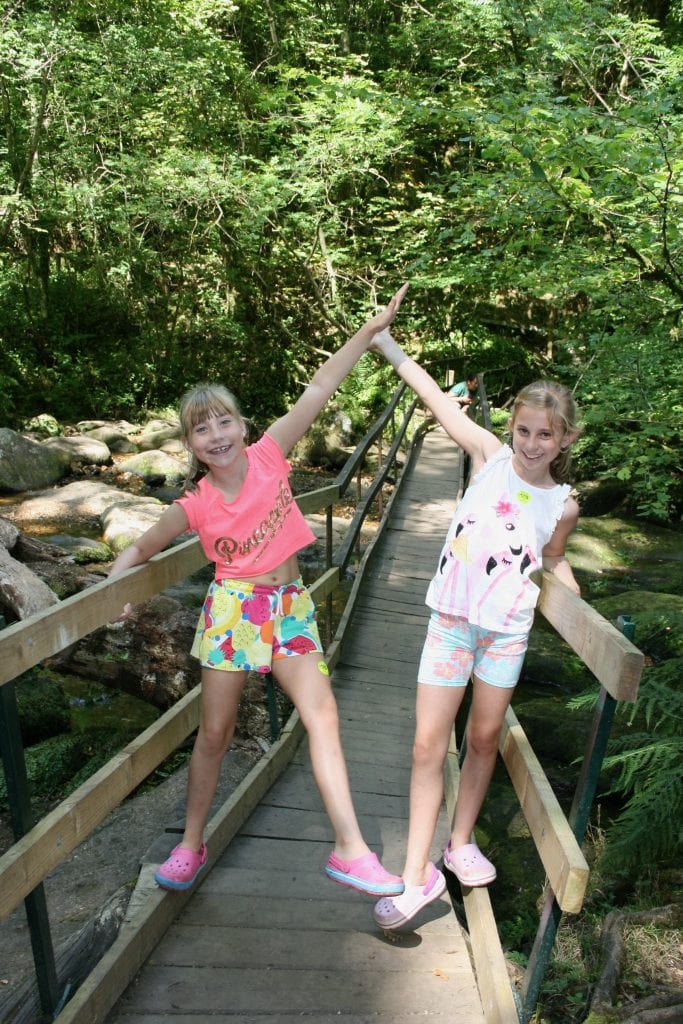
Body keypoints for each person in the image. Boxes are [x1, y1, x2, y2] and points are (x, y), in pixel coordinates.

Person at [108, 284, 409, 896]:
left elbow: (320, 387)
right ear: (190, 445)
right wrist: (116, 590)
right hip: (234, 611)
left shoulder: (272, 455)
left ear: (242, 426)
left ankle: (350, 850)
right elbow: (141, 547)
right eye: (201, 430)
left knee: (323, 717)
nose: (216, 434)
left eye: (223, 421)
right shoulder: (193, 503)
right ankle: (190, 845)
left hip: (290, 606)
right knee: (214, 733)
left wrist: (370, 330)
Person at [369, 328, 581, 930]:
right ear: (510, 428)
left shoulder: (562, 503)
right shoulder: (488, 459)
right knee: (426, 746)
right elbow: (437, 399)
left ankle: (458, 842)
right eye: (524, 430)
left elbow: (556, 557)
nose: (532, 443)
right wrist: (385, 345)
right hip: (452, 624)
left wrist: (578, 612)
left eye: (546, 434)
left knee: (485, 740)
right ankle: (416, 876)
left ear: (564, 437)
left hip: (507, 633)